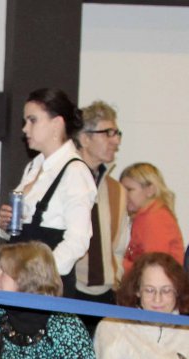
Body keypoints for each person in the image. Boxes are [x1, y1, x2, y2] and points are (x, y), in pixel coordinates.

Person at [0, 89, 97, 298]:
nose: (25, 128)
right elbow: (18, 233)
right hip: (17, 283)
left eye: (32, 120)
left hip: (44, 292)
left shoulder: (75, 172)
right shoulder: (34, 166)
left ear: (57, 124)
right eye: (26, 121)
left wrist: (40, 278)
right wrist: (5, 226)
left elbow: (78, 240)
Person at [73, 100, 129, 321]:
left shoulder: (117, 191)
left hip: (106, 295)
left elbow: (120, 247)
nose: (115, 140)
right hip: (69, 290)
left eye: (117, 133)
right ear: (85, 138)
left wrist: (115, 279)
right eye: (108, 133)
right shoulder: (65, 182)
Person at [120, 162, 184, 273]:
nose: (123, 195)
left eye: (129, 190)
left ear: (150, 190)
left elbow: (154, 266)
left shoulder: (155, 218)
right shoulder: (145, 216)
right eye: (121, 190)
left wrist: (117, 265)